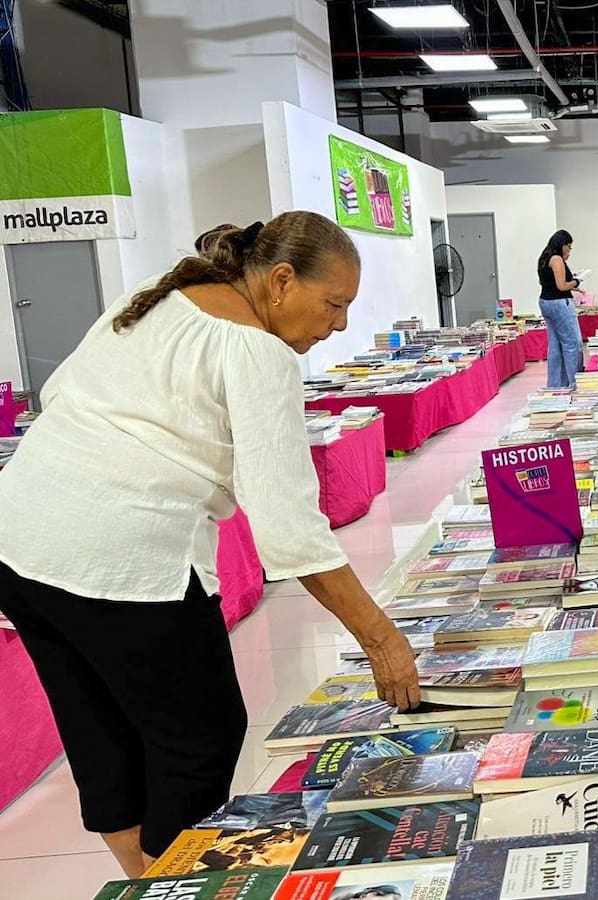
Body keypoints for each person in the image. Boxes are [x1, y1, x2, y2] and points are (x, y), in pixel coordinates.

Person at [0, 211, 420, 877]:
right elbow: (288, 527)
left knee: (100, 728)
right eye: (333, 304)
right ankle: (176, 887)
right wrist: (382, 639)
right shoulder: (257, 351)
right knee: (201, 739)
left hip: (20, 537)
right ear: (281, 281)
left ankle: (145, 883)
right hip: (119, 558)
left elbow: (58, 393)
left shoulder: (158, 297)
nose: (338, 325)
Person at [537, 229, 585, 390]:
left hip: (546, 302)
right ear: (562, 244)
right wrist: (577, 281)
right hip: (559, 304)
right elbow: (562, 286)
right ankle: (575, 382)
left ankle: (556, 385)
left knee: (555, 345)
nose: (569, 250)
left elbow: (551, 283)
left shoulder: (544, 257)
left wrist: (574, 287)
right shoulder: (557, 259)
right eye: (569, 246)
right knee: (573, 344)